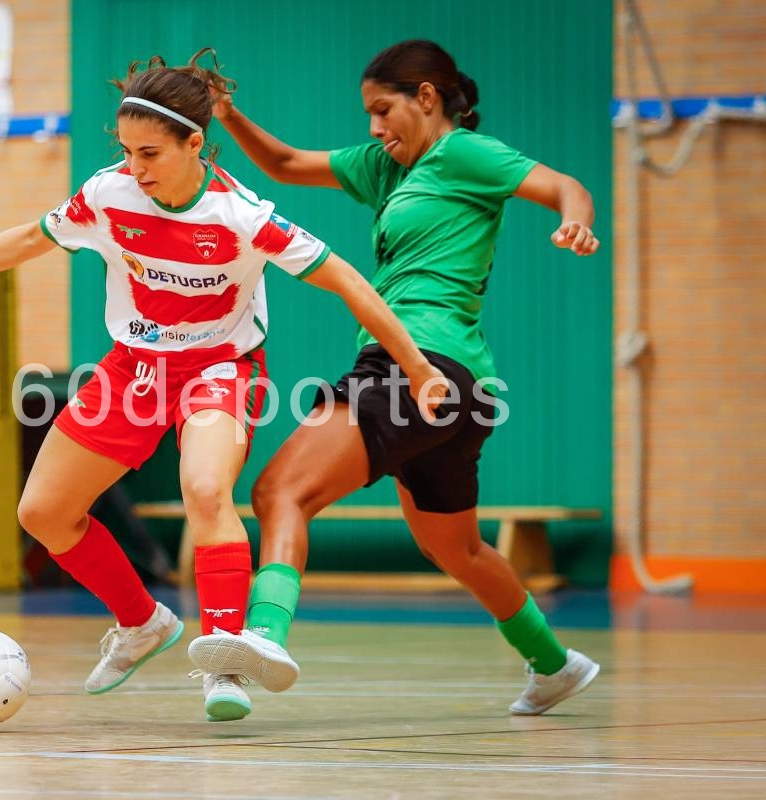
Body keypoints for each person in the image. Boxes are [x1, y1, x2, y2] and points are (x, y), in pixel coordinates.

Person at [0, 49, 444, 722]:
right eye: (126, 152)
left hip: (220, 368)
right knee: (43, 514)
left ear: (194, 144)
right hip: (134, 367)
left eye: (149, 153)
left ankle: (226, 662)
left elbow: (350, 281)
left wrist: (417, 367)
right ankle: (142, 622)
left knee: (206, 489)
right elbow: (31, 239)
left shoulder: (243, 217)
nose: (134, 168)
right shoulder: (109, 194)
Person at [188, 40, 602, 716]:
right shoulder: (385, 168)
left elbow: (566, 188)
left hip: (420, 366)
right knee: (456, 548)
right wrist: (228, 115)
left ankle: (262, 636)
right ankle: (555, 664)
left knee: (279, 492)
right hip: (462, 386)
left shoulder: (465, 154)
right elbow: (286, 164)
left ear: (427, 98)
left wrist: (575, 223)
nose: (375, 127)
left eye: (383, 110)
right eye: (369, 115)